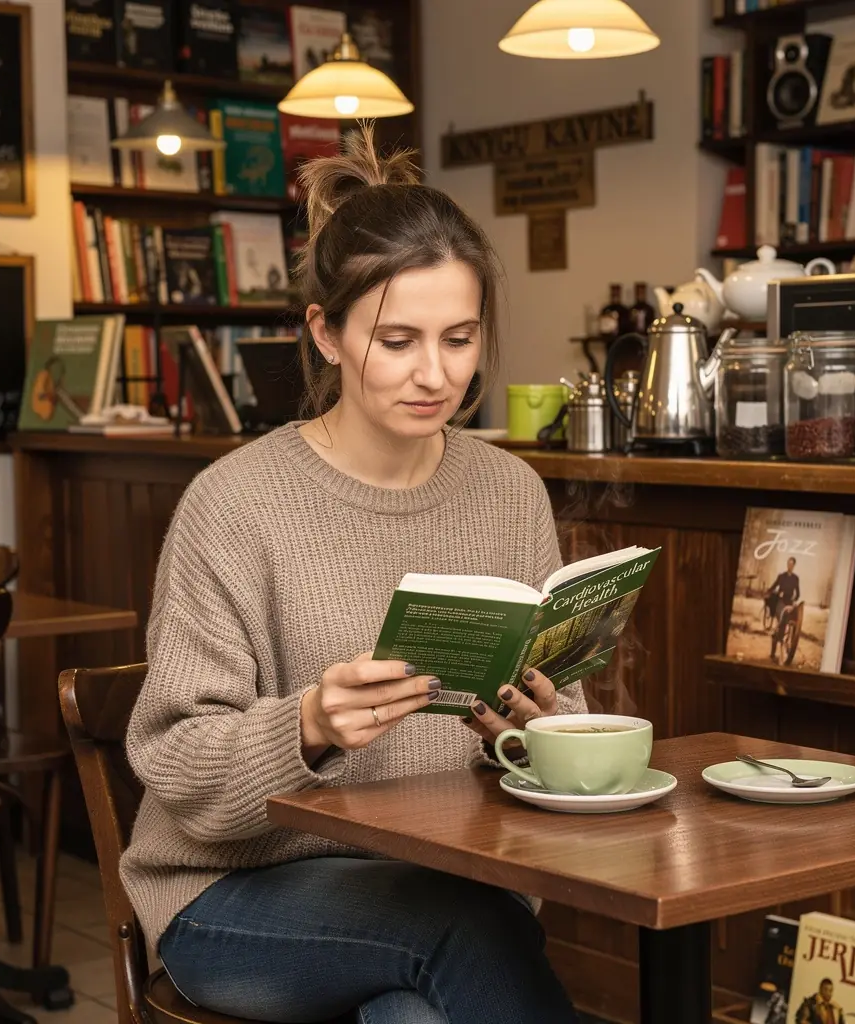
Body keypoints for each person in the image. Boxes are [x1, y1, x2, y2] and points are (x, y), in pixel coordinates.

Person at [120, 123, 585, 1024]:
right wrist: (308, 725)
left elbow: (557, 723)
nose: (436, 374)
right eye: (399, 339)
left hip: (447, 882)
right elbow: (172, 756)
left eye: (460, 339)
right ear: (326, 335)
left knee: (418, 1012)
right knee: (463, 932)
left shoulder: (510, 490)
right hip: (234, 898)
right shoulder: (234, 503)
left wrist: (535, 727)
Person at [768, 557, 801, 662]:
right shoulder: (781, 576)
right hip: (780, 602)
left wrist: (794, 600)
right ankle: (776, 643)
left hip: (789, 604)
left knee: (786, 622)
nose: (789, 566)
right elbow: (773, 587)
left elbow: (798, 594)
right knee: (781, 621)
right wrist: (770, 592)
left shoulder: (796, 579)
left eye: (791, 564)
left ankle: (779, 637)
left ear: (794, 566)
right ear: (787, 565)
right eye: (788, 564)